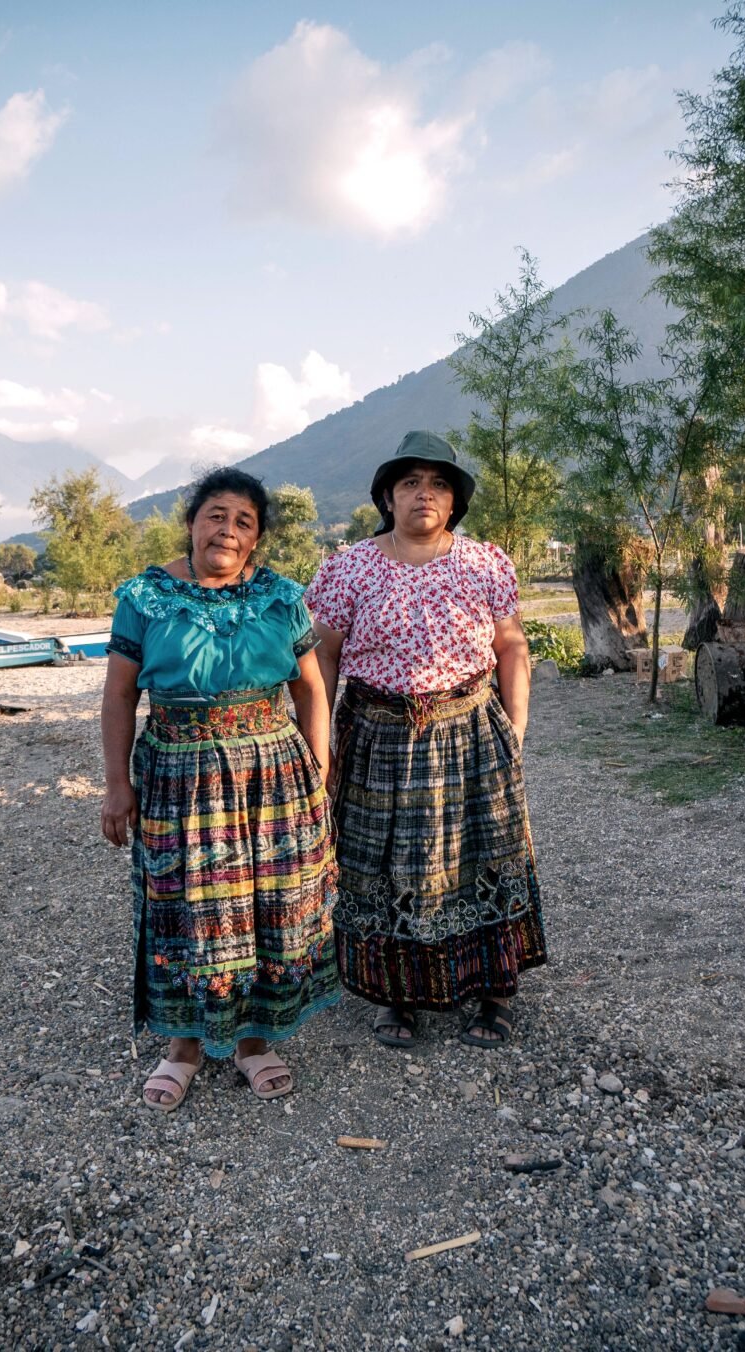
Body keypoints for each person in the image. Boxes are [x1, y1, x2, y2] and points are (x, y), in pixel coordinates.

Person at [99, 468, 338, 1110]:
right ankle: (183, 1046)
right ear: (191, 522)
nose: (227, 531)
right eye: (216, 515)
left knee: (270, 904)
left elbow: (310, 688)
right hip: (179, 773)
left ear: (255, 539)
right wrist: (116, 783)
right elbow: (121, 693)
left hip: (274, 773)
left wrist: (317, 769)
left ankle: (256, 1040)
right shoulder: (144, 597)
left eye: (243, 522)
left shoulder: (282, 597)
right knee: (187, 906)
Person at [306, 431, 545, 1050]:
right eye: (410, 482)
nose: (424, 493)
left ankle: (492, 991)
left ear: (454, 500)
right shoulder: (347, 566)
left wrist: (513, 729)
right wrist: (321, 749)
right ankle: (397, 994)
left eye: (438, 483)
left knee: (483, 856)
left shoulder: (485, 562)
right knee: (384, 864)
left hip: (469, 730)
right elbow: (321, 662)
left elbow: (512, 646)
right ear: (388, 496)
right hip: (376, 736)